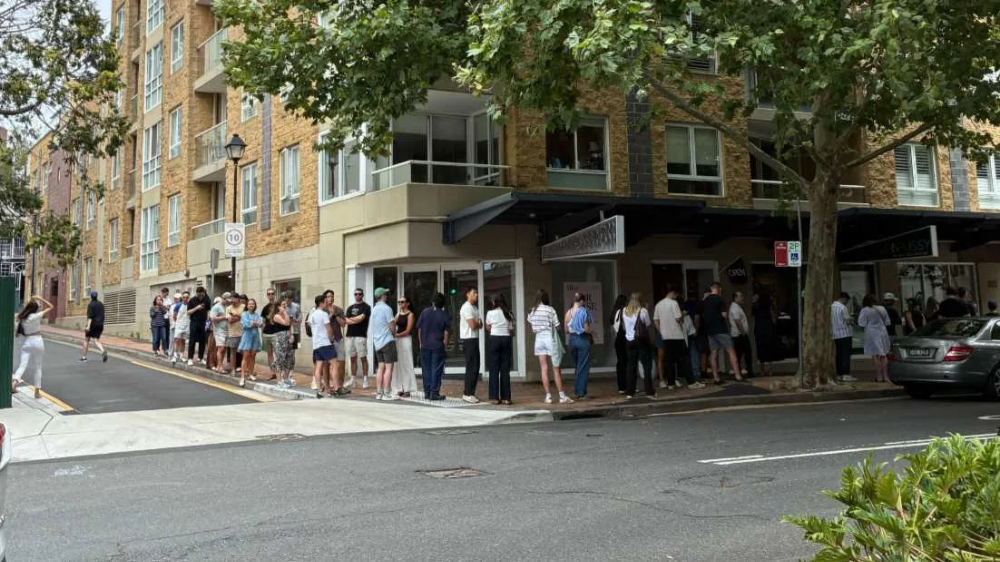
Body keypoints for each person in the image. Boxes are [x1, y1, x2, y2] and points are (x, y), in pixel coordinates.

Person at [527, 290, 572, 405]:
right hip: (549, 338)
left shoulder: (532, 311)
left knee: (544, 368)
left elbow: (532, 328)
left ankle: (548, 396)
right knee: (556, 368)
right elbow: (558, 326)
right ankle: (562, 396)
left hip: (539, 339)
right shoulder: (550, 309)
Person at [13, 296, 54, 398]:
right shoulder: (36, 316)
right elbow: (51, 306)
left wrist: (33, 300)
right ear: (35, 309)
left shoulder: (22, 318)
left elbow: (30, 306)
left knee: (22, 365)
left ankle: (14, 383)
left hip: (27, 342)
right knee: (38, 367)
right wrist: (40, 299)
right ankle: (37, 392)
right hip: (38, 340)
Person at [654, 286, 692, 391]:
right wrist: (683, 314)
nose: (676, 297)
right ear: (673, 293)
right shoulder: (674, 303)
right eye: (676, 295)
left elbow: (655, 320)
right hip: (676, 335)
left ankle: (670, 383)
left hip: (665, 336)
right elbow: (678, 319)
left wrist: (661, 330)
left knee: (669, 360)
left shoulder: (659, 304)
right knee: (684, 358)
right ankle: (691, 382)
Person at [617, 292, 654, 399]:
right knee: (646, 365)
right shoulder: (643, 311)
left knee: (631, 366)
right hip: (641, 340)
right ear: (640, 300)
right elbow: (647, 324)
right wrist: (646, 309)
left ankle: (630, 391)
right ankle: (649, 390)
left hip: (629, 341)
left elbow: (623, 325)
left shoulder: (624, 310)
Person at [703, 283, 742, 384]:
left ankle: (716, 377)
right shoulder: (720, 299)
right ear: (719, 289)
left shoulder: (705, 301)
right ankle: (738, 375)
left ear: (711, 288)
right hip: (721, 329)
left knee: (713, 353)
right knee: (731, 351)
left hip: (710, 330)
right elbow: (724, 315)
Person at [416, 292, 450, 401]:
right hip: (438, 345)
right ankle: (434, 393)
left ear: (433, 302)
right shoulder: (444, 315)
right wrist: (445, 345)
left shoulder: (424, 312)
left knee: (426, 369)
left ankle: (427, 392)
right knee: (436, 369)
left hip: (425, 345)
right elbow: (446, 332)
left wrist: (421, 342)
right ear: (443, 304)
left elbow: (419, 329)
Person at [309, 294, 342, 398]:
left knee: (319, 366)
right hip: (325, 343)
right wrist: (331, 338)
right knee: (335, 364)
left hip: (316, 344)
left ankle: (319, 390)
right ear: (321, 303)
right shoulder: (323, 314)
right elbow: (328, 328)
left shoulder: (312, 314)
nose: (327, 303)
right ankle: (336, 388)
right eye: (325, 301)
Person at [485, 293, 514, 405]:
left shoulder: (490, 313)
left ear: (494, 302)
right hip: (506, 339)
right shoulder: (508, 313)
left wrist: (494, 329)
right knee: (505, 369)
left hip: (494, 339)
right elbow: (511, 329)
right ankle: (506, 398)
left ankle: (495, 398)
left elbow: (488, 327)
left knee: (494, 369)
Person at [370, 287, 398, 401]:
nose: (386, 296)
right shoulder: (387, 308)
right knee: (389, 368)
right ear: (382, 296)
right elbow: (392, 324)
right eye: (385, 294)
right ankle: (387, 393)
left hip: (377, 342)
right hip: (387, 341)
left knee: (380, 367)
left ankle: (379, 393)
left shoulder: (374, 309)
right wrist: (394, 334)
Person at [566, 292, 594, 399]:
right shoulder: (583, 311)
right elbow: (586, 329)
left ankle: (577, 391)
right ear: (581, 301)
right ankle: (581, 393)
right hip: (582, 339)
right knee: (583, 367)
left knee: (578, 366)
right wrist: (589, 333)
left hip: (572, 340)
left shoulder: (568, 313)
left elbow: (566, 330)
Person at [458, 287, 483, 404]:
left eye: (477, 293)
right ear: (468, 294)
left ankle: (471, 393)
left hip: (474, 338)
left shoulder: (475, 308)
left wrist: (477, 324)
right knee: (471, 367)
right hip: (468, 339)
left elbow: (480, 324)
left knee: (476, 366)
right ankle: (467, 393)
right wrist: (478, 323)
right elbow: (473, 325)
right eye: (474, 293)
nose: (476, 295)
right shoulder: (466, 307)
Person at [858, 294, 891, 383]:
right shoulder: (882, 308)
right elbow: (887, 322)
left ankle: (879, 377)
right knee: (883, 355)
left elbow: (861, 323)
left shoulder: (865, 310)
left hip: (872, 333)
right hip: (883, 332)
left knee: (876, 355)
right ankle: (886, 377)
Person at [344, 288, 372, 389]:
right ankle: (353, 380)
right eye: (356, 294)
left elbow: (361, 318)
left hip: (360, 336)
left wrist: (352, 319)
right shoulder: (350, 308)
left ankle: (365, 379)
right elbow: (346, 320)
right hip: (350, 336)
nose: (357, 295)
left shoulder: (366, 307)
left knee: (363, 358)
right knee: (352, 358)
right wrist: (355, 320)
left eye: (359, 294)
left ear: (362, 295)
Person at [391, 295, 417, 397]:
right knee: (398, 364)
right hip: (398, 340)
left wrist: (396, 335)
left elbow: (408, 330)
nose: (400, 303)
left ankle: (407, 389)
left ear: (408, 303)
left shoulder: (410, 315)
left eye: (402, 302)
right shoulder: (398, 314)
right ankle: (399, 387)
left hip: (405, 340)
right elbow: (393, 324)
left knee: (406, 363)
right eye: (399, 302)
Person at [270, 299, 296, 387]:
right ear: (278, 307)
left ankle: (286, 378)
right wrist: (284, 312)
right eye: (283, 304)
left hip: (288, 337)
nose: (285, 306)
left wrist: (292, 335)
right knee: (280, 359)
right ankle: (279, 381)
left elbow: (291, 325)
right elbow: (286, 323)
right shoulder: (276, 316)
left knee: (290, 358)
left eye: (285, 304)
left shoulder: (286, 314)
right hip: (280, 338)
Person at [237, 299, 263, 387]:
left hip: (255, 337)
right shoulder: (244, 314)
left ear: (255, 305)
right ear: (247, 305)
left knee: (253, 356)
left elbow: (261, 324)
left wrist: (254, 323)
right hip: (247, 337)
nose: (251, 305)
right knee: (245, 356)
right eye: (250, 304)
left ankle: (250, 374)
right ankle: (242, 377)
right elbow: (246, 324)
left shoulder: (257, 315)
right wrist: (254, 323)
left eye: (253, 304)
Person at [751, 291, 777, 377]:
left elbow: (753, 313)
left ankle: (763, 370)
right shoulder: (769, 305)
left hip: (759, 327)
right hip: (767, 327)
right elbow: (774, 316)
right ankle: (769, 370)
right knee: (768, 348)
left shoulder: (757, 305)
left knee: (761, 348)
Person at [729, 291, 754, 378]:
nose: (742, 297)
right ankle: (743, 372)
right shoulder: (735, 308)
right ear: (735, 298)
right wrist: (743, 332)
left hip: (739, 334)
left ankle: (743, 371)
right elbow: (737, 321)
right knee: (744, 353)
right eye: (741, 296)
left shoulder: (737, 307)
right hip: (739, 335)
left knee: (743, 353)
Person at [831, 292, 854, 382]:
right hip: (845, 334)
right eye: (847, 301)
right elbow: (847, 321)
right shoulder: (842, 307)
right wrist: (851, 319)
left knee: (838, 355)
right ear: (844, 299)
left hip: (835, 335)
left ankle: (839, 374)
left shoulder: (831, 307)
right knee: (846, 355)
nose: (846, 303)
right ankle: (846, 374)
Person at [79, 291, 108, 363]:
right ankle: (103, 351)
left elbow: (90, 317)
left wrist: (88, 326)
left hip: (92, 324)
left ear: (91, 297)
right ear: (97, 296)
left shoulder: (91, 305)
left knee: (86, 340)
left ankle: (84, 357)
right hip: (100, 324)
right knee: (96, 341)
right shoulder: (101, 304)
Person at [185, 286, 210, 366]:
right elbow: (188, 312)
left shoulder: (206, 299)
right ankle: (190, 358)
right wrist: (196, 308)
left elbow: (208, 310)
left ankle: (201, 357)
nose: (201, 297)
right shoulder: (192, 300)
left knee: (203, 341)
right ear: (197, 293)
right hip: (194, 322)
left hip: (203, 322)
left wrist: (208, 321)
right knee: (192, 341)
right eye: (199, 295)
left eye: (202, 295)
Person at [610, 294, 628, 394]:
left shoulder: (614, 312)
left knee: (620, 362)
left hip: (618, 339)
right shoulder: (623, 311)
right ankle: (627, 385)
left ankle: (621, 387)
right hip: (625, 338)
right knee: (627, 363)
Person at [260, 288, 279, 378]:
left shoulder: (278, 306)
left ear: (275, 294)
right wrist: (262, 333)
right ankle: (273, 373)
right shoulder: (265, 308)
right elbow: (263, 322)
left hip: (276, 333)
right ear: (267, 295)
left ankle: (280, 373)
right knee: (269, 354)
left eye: (272, 293)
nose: (271, 295)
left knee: (278, 353)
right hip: (266, 334)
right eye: (269, 294)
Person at [210, 293, 230, 373]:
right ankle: (220, 367)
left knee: (223, 349)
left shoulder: (225, 307)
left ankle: (219, 366)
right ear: (224, 298)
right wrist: (224, 317)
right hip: (219, 330)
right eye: (227, 300)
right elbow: (212, 318)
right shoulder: (217, 307)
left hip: (225, 330)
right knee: (221, 348)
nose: (228, 302)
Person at [226, 294, 246, 373]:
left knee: (245, 352)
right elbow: (230, 321)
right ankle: (233, 369)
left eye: (234, 299)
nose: (232, 301)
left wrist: (236, 316)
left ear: (238, 299)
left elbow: (245, 318)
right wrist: (239, 317)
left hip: (244, 332)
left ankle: (244, 369)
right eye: (231, 299)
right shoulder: (228, 308)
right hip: (233, 333)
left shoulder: (244, 307)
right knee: (233, 352)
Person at [171, 292, 191, 365]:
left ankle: (181, 356)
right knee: (177, 340)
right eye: (184, 297)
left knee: (183, 341)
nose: (185, 298)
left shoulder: (190, 305)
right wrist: (178, 322)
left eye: (187, 297)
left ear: (188, 298)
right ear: (182, 298)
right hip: (179, 325)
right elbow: (174, 316)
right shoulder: (178, 305)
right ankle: (175, 356)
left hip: (187, 325)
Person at [161, 287, 173, 355]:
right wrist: (165, 307)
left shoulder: (169, 299)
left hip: (167, 318)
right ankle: (164, 349)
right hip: (161, 318)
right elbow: (161, 307)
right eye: (165, 293)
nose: (166, 295)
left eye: (167, 293)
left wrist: (164, 306)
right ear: (162, 293)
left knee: (168, 334)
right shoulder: (160, 299)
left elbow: (169, 307)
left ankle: (167, 349)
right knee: (163, 335)